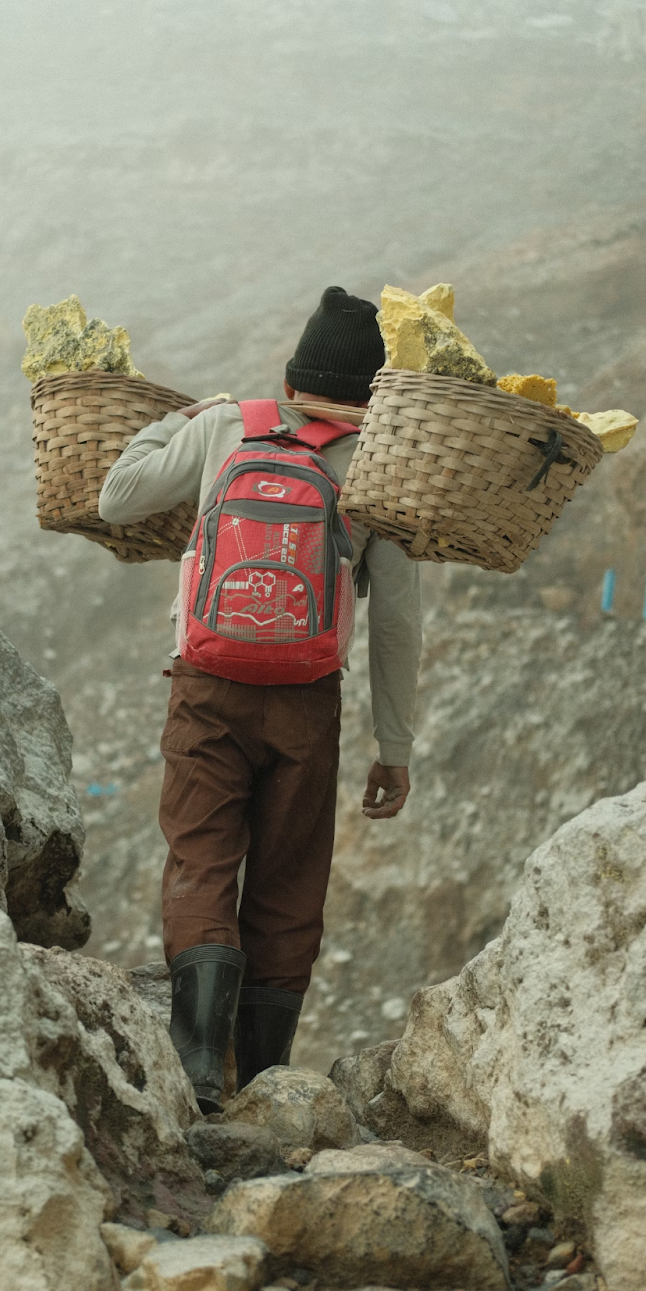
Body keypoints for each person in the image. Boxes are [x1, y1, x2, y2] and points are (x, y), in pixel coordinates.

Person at [98, 286, 422, 1111]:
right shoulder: (383, 465)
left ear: (293, 371)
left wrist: (180, 420)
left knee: (202, 856)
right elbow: (396, 623)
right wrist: (395, 748)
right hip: (308, 702)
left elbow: (116, 497)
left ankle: (201, 1068)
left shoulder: (227, 426)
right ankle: (267, 1085)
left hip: (207, 686)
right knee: (287, 883)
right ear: (371, 391)